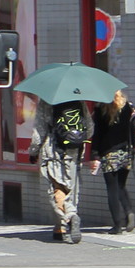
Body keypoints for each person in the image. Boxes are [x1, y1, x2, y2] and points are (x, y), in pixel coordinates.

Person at [93, 89, 135, 234]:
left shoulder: (101, 109)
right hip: (127, 153)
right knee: (121, 185)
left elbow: (97, 135)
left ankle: (117, 225)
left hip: (109, 153)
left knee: (112, 189)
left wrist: (95, 155)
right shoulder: (128, 107)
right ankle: (129, 212)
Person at [38, 97, 91, 243]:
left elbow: (40, 130)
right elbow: (90, 127)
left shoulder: (46, 101)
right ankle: (60, 227)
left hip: (53, 151)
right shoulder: (79, 101)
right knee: (71, 189)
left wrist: (33, 150)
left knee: (57, 189)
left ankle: (71, 216)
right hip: (74, 151)